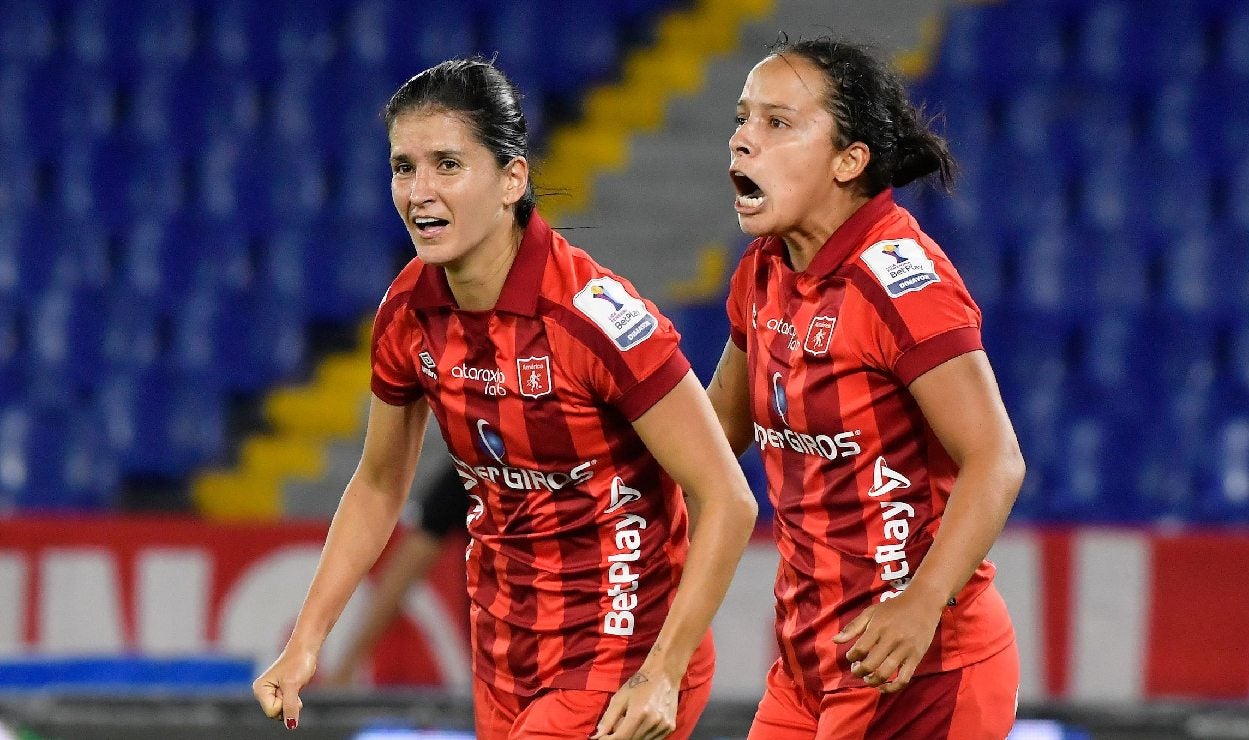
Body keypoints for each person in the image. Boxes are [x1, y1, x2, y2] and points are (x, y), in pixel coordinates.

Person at [252, 57, 758, 740]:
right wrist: (307, 640)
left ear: (512, 180)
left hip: (622, 654)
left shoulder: (592, 317)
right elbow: (378, 484)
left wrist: (663, 670)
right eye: (403, 167)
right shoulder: (406, 313)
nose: (419, 192)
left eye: (447, 165)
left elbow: (727, 497)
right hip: (504, 660)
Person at [706, 38, 1025, 739]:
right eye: (743, 118)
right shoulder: (762, 271)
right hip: (809, 667)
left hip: (920, 671)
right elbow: (713, 436)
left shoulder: (900, 283)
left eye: (777, 123)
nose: (742, 139)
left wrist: (921, 602)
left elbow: (996, 459)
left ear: (849, 161)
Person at [322, 464, 467, 687]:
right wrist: (348, 663)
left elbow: (407, 567)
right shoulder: (475, 468)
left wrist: (349, 663)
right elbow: (407, 567)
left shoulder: (480, 465)